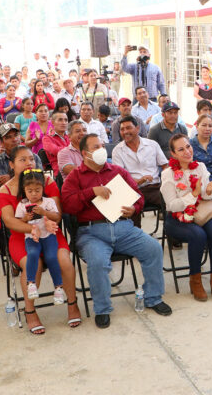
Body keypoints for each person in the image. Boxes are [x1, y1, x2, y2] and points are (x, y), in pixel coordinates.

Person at [62, 133, 172, 328]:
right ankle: (102, 309)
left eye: (102, 145)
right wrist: (91, 192)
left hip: (123, 228)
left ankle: (153, 297)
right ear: (85, 153)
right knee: (97, 263)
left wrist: (134, 209)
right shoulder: (75, 176)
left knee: (153, 248)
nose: (101, 150)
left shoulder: (117, 171)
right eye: (96, 147)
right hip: (91, 233)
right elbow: (68, 205)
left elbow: (138, 196)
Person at [0, 145, 80, 333]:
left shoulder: (47, 181)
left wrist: (45, 224)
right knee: (31, 263)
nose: (29, 163)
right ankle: (30, 310)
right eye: (22, 160)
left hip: (50, 230)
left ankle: (72, 303)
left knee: (64, 260)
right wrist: (32, 228)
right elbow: (9, 221)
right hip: (23, 235)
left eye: (31, 159)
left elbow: (57, 216)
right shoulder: (5, 190)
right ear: (11, 164)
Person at [161, 134, 212, 302]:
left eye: (188, 147)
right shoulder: (168, 174)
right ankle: (195, 280)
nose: (187, 152)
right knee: (199, 235)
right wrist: (194, 194)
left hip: (200, 212)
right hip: (176, 218)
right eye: (181, 149)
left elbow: (205, 197)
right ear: (173, 154)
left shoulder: (200, 167)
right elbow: (172, 205)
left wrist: (208, 190)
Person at [15, 169, 64, 303]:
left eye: (37, 190)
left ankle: (58, 287)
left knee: (51, 257)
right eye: (30, 191)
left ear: (43, 188)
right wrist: (25, 218)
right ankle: (31, 284)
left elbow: (57, 216)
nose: (34, 194)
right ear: (24, 190)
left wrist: (44, 212)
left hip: (48, 235)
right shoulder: (22, 204)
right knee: (32, 254)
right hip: (32, 237)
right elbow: (18, 222)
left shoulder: (48, 202)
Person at [112, 116, 167, 228]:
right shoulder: (117, 150)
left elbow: (165, 166)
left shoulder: (152, 145)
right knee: (127, 209)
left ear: (137, 128)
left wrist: (167, 182)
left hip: (154, 187)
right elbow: (120, 178)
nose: (125, 132)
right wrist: (139, 181)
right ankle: (135, 238)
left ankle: (174, 237)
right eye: (122, 129)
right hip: (132, 190)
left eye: (128, 128)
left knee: (171, 202)